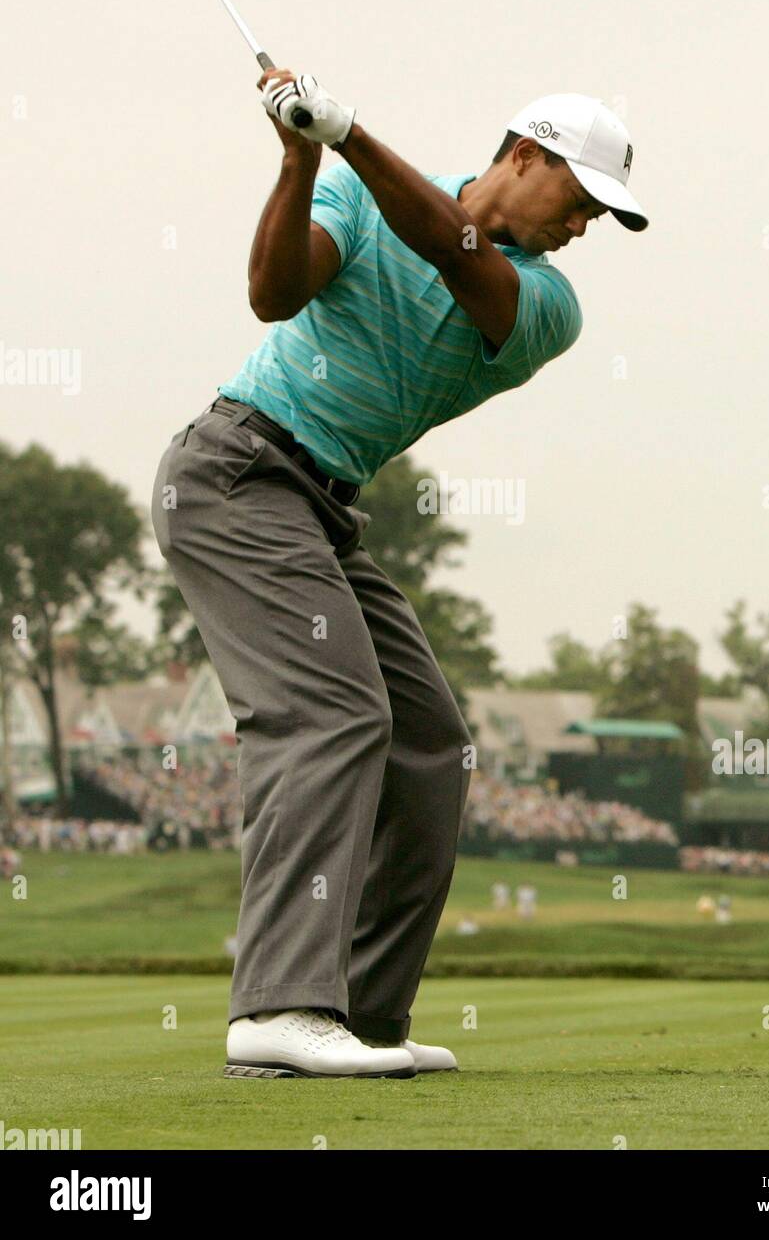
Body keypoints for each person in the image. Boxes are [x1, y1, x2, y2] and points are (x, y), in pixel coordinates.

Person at [151, 71, 648, 1081]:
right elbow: (273, 292)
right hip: (236, 472)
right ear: (524, 155)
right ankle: (280, 1005)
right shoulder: (356, 192)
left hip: (318, 506)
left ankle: (363, 1018)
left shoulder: (546, 303)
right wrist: (301, 161)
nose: (587, 224)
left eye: (601, 212)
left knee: (429, 744)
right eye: (582, 197)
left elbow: (455, 252)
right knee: (332, 714)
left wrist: (349, 135)